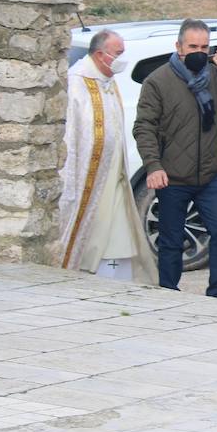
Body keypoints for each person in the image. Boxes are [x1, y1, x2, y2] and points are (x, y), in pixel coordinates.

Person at [133, 18, 217, 297]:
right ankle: (168, 292)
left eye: (204, 46)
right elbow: (144, 127)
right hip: (173, 176)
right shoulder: (158, 81)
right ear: (179, 46)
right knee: (171, 240)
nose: (199, 51)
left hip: (210, 175)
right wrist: (153, 166)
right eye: (193, 46)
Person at [60, 30, 158, 284]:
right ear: (100, 54)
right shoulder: (77, 83)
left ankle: (116, 281)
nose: (121, 59)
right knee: (95, 234)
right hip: (89, 178)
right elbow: (71, 136)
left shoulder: (109, 82)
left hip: (114, 174)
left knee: (118, 233)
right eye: (118, 53)